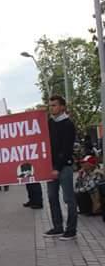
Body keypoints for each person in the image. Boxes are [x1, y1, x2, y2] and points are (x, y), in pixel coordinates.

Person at [43, 95, 77, 241]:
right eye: (50, 105)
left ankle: (71, 230)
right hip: (51, 168)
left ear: (62, 107)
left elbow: (66, 149)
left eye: (54, 105)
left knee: (69, 199)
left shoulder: (68, 124)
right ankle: (58, 227)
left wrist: (57, 167)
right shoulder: (49, 123)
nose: (52, 108)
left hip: (64, 167)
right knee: (52, 197)